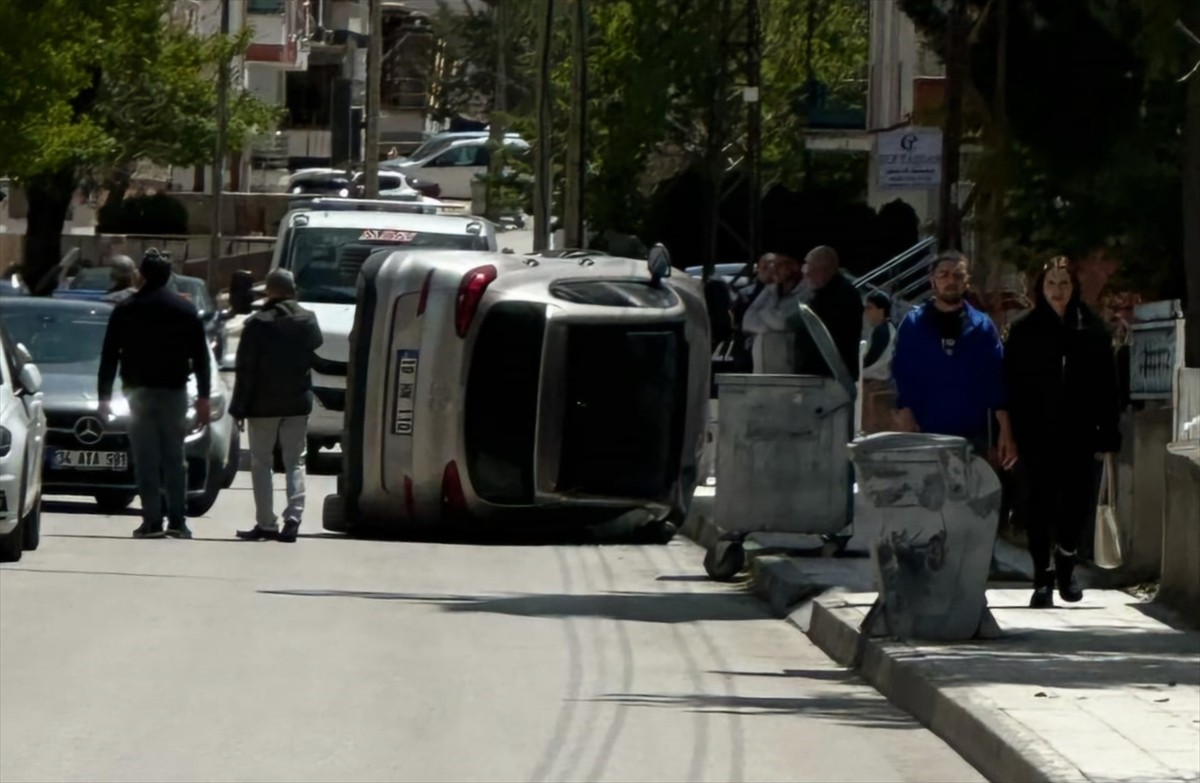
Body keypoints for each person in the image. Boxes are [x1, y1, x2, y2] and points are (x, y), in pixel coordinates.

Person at [1004, 256, 1121, 608]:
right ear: (1041, 287)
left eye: (1064, 283)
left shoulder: (1091, 329)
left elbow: (1108, 386)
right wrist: (1008, 433)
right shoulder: (1024, 330)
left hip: (1079, 433)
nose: (1058, 291)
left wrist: (1108, 433)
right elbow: (1010, 385)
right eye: (1051, 283)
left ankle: (1066, 563)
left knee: (1076, 504)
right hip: (1034, 434)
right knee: (1037, 506)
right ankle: (1043, 578)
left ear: (1074, 287)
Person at [98, 248, 211, 539]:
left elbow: (109, 356)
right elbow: (201, 358)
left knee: (146, 459)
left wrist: (104, 397)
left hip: (138, 394)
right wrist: (203, 398)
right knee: (175, 459)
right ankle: (177, 521)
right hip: (174, 393)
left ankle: (151, 520)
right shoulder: (185, 310)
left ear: (142, 274)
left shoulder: (126, 309)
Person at [891, 251, 1017, 466]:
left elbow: (996, 379)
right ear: (933, 280)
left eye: (958, 275)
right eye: (944, 274)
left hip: (972, 438)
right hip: (925, 435)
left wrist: (1006, 431)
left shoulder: (982, 326)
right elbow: (902, 374)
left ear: (967, 281)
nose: (951, 280)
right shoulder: (913, 325)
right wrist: (905, 413)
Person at [231, 269, 324, 543]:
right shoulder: (308, 319)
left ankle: (266, 523)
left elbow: (245, 370)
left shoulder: (257, 324)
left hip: (263, 405)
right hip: (297, 402)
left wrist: (238, 407)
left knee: (262, 463)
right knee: (296, 460)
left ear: (268, 291)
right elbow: (316, 344)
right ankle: (294, 517)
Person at [792, 246, 864, 380]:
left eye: (810, 266)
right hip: (819, 374)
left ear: (826, 269)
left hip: (831, 375)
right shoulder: (821, 292)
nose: (806, 273)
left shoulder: (842, 295)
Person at [742, 251, 808, 373]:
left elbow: (782, 323)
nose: (775, 269)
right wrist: (770, 325)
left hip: (788, 367)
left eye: (780, 265)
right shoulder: (771, 289)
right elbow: (747, 320)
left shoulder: (805, 291)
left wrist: (762, 315)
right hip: (761, 366)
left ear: (794, 266)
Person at [861, 290, 898, 433]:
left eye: (869, 308)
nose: (866, 312)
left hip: (876, 383)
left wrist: (857, 367)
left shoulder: (882, 331)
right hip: (876, 382)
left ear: (881, 310)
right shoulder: (883, 329)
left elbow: (871, 358)